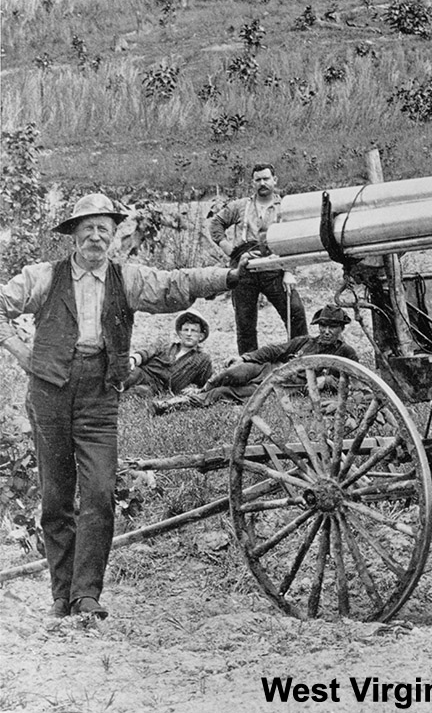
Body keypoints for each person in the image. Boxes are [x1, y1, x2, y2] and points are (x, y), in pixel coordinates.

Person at [0, 192, 250, 621]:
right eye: (87, 229)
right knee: (57, 497)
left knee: (99, 492)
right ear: (72, 237)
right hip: (50, 394)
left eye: (104, 230)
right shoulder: (43, 277)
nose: (96, 238)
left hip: (100, 394)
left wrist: (227, 276)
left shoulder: (127, 279)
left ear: (115, 237)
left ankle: (87, 595)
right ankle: (62, 595)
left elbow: (176, 285)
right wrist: (19, 351)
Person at [151, 304, 358, 414]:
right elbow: (274, 350)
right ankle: (203, 388)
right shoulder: (305, 342)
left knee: (225, 392)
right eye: (323, 326)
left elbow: (356, 383)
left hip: (281, 385)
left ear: (341, 329)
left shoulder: (346, 353)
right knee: (233, 373)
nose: (327, 331)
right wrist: (245, 358)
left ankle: (175, 404)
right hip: (267, 370)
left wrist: (327, 381)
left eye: (332, 327)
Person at [209, 162, 307, 354]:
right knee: (245, 322)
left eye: (266, 178)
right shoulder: (240, 206)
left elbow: (295, 240)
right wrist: (229, 249)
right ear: (252, 183)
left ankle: (302, 361)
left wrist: (288, 271)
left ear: (274, 180)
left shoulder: (285, 207)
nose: (262, 183)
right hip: (244, 268)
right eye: (258, 179)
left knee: (295, 313)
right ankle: (249, 367)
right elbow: (216, 224)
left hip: (275, 267)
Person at [122, 310, 213, 397]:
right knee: (129, 375)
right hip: (144, 373)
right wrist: (133, 359)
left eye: (193, 330)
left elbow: (207, 382)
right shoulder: (166, 345)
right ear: (180, 333)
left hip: (158, 388)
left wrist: (196, 389)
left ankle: (114, 396)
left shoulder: (202, 359)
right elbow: (145, 353)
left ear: (201, 336)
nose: (189, 334)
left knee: (141, 391)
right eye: (185, 330)